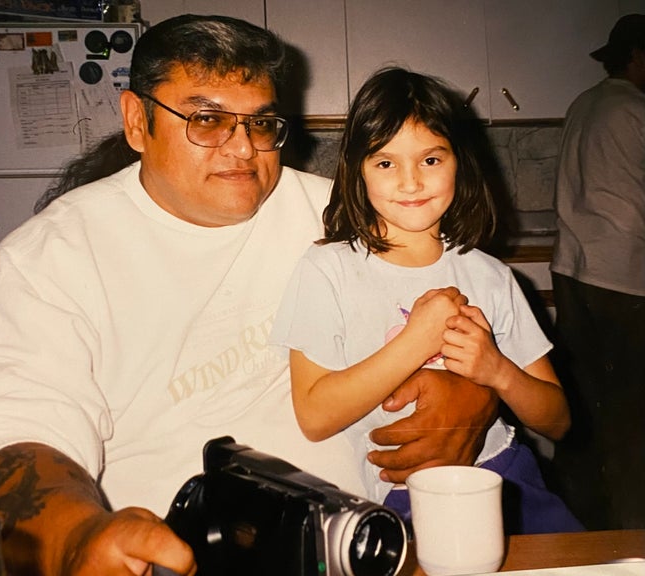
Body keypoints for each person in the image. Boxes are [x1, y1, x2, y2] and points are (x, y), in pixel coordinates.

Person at [0, 15, 498, 576]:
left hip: (375, 548)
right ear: (136, 121)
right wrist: (76, 537)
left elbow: (464, 310)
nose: (244, 149)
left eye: (261, 123)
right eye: (206, 120)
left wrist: (478, 394)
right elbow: (2, 422)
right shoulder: (54, 257)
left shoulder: (346, 217)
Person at [271, 67, 584, 535]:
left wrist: (496, 369)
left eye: (431, 160)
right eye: (385, 163)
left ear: (460, 161)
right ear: (357, 169)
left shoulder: (492, 276)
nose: (411, 183)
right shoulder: (327, 270)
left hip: (508, 476)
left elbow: (557, 420)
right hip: (402, 496)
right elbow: (314, 416)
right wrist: (417, 340)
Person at [550, 14, 645, 530]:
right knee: (631, 417)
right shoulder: (636, 109)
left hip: (575, 271)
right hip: (627, 279)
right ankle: (633, 531)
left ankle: (582, 528)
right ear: (637, 57)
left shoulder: (583, 103)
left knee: (583, 410)